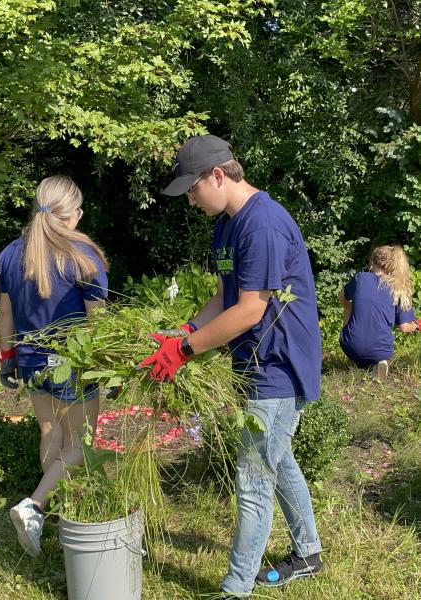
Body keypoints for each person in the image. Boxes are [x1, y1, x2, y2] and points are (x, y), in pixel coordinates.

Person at [138, 134, 323, 598]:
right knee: (276, 463)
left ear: (217, 175)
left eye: (193, 190)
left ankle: (236, 588)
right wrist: (183, 331)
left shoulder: (261, 225)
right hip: (254, 361)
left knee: (254, 478)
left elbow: (249, 311)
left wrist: (183, 353)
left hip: (278, 365)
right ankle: (308, 553)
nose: (191, 200)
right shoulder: (227, 223)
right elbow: (224, 296)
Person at [0, 175, 109, 557]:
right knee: (82, 442)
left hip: (30, 359)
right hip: (73, 361)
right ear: (73, 214)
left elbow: (7, 310)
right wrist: (109, 365)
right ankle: (35, 506)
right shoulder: (82, 256)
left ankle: (56, 511)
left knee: (52, 432)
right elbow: (98, 321)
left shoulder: (11, 253)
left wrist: (7, 356)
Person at [339, 245, 420, 381]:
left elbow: (342, 296)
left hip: (349, 345)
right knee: (379, 352)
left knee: (351, 305)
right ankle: (379, 363)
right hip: (381, 351)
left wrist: (349, 309)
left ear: (372, 261)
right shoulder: (399, 288)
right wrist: (416, 326)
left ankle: (359, 358)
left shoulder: (360, 278)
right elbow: (405, 327)